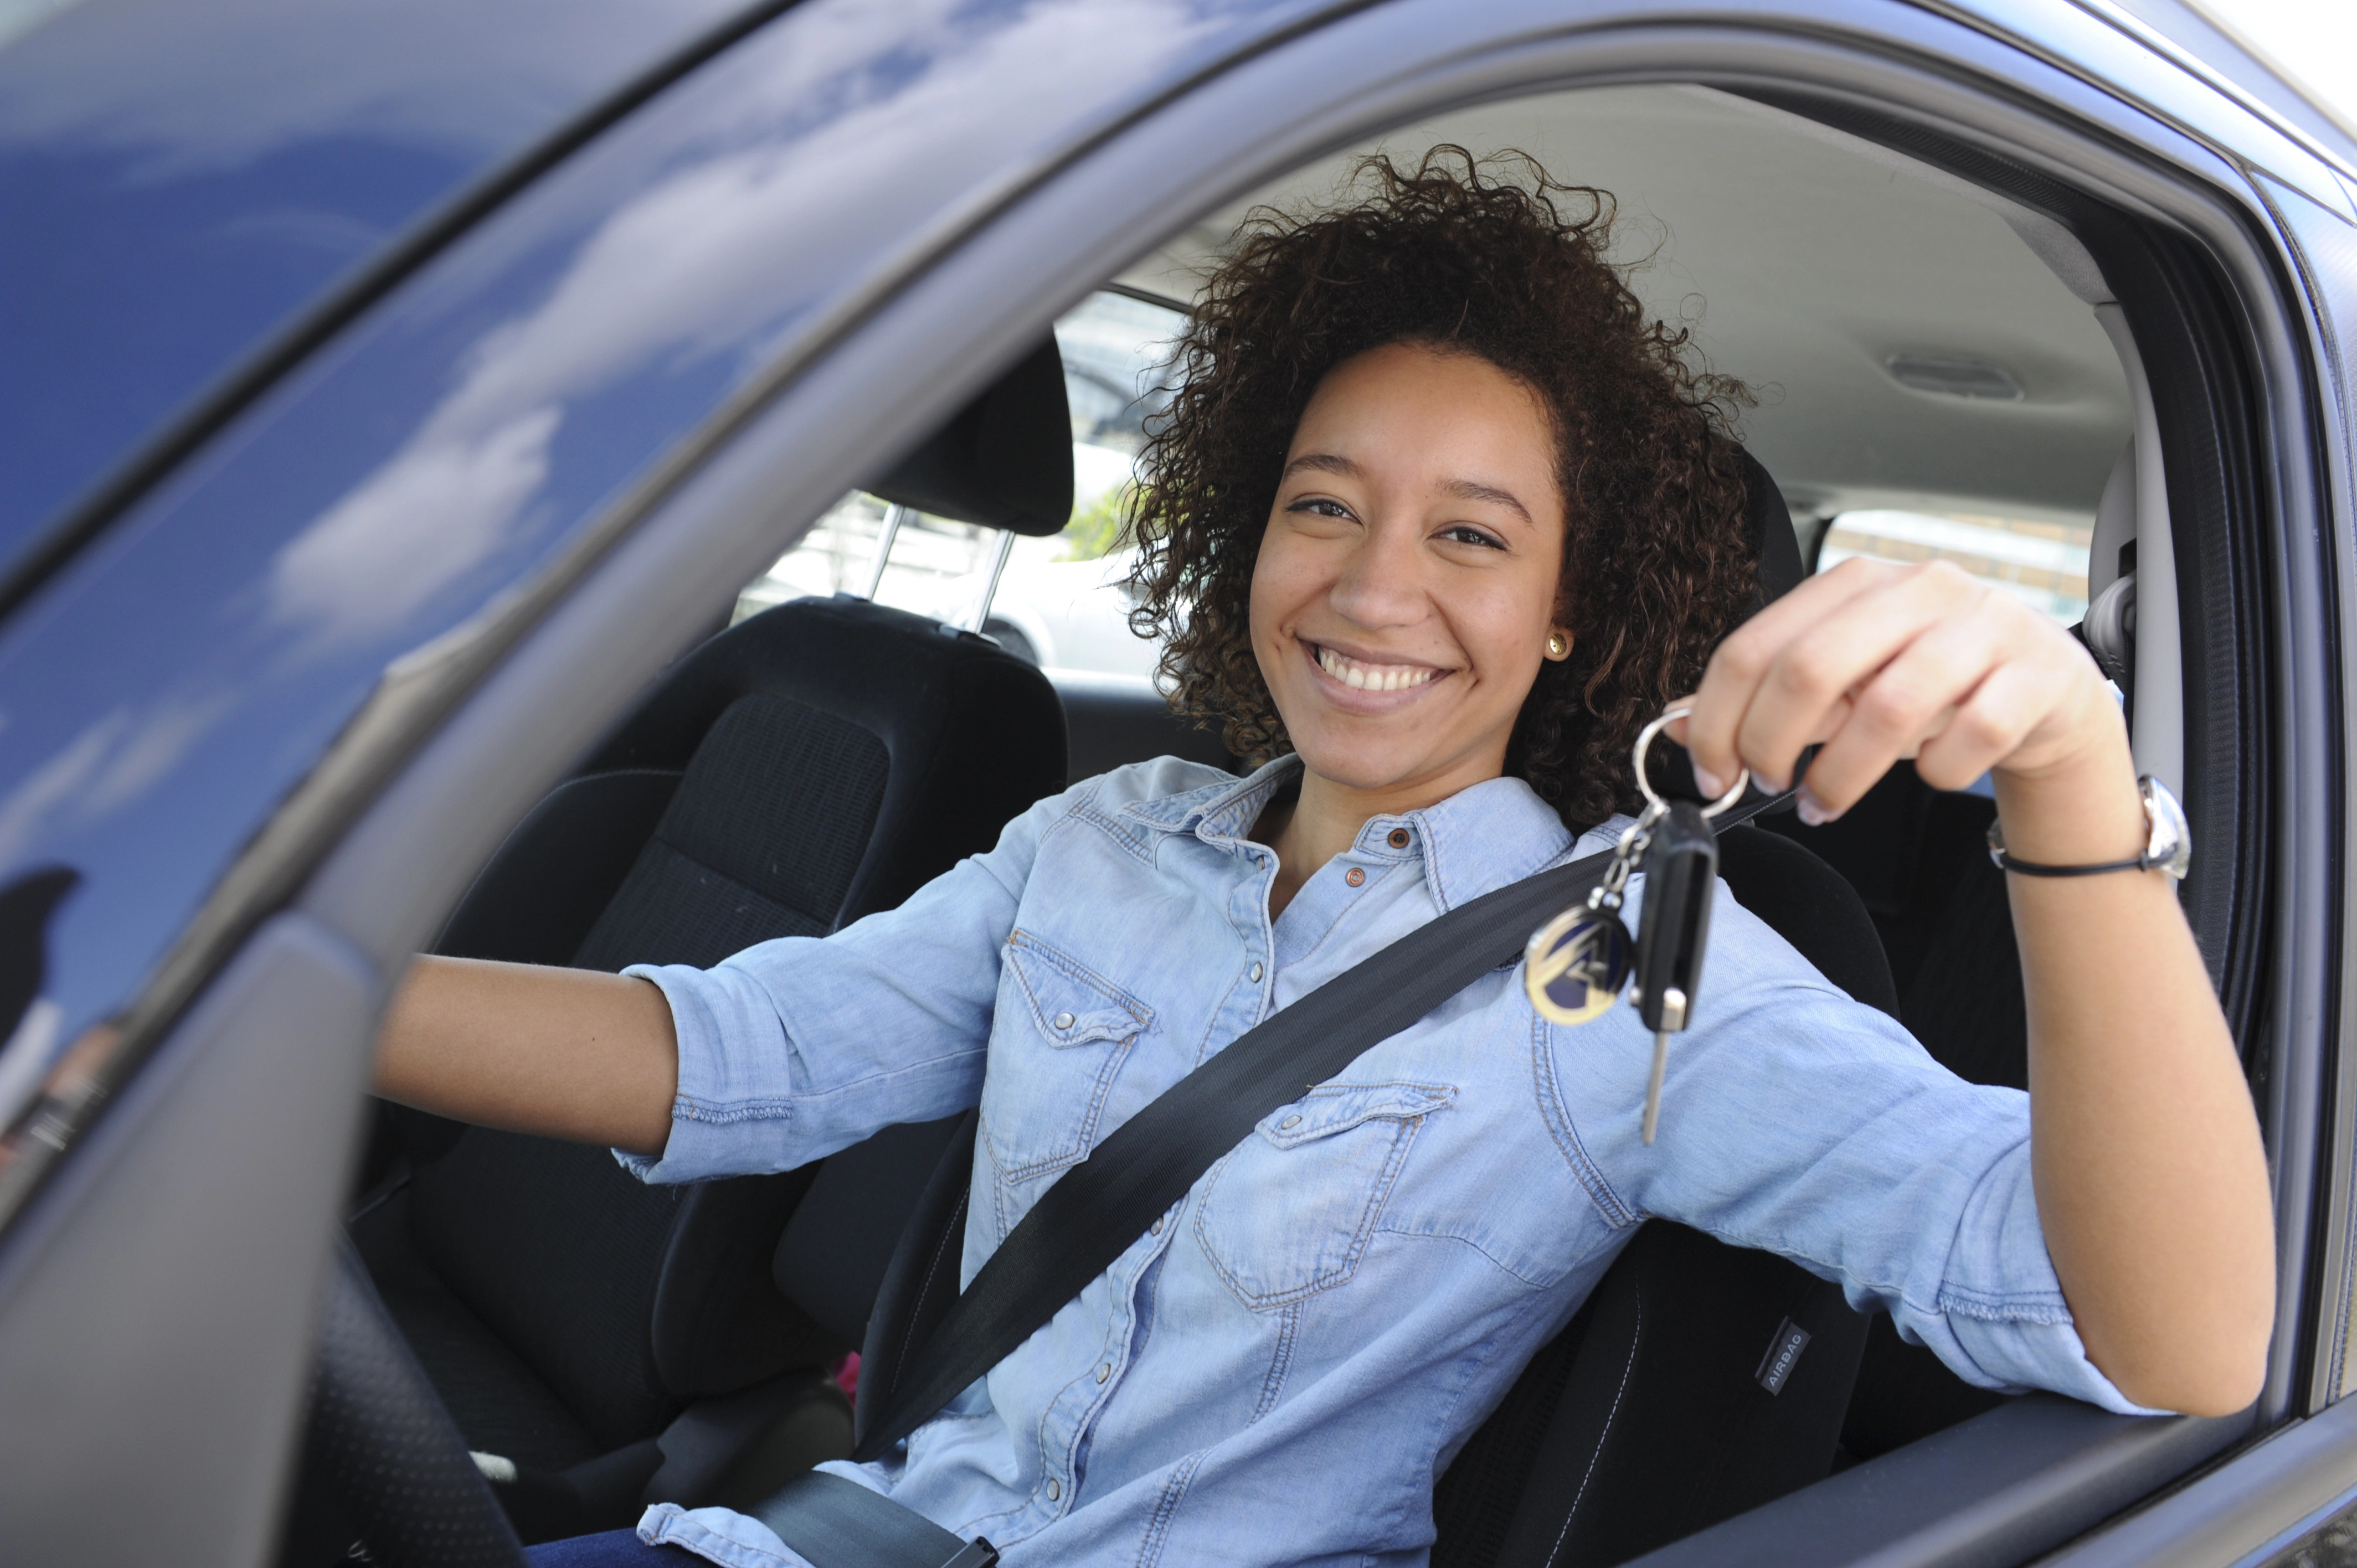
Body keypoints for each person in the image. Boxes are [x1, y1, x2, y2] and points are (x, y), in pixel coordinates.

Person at [374, 149, 2273, 1568]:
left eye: (1470, 536)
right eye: (1323, 507)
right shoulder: (1102, 843)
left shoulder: (1628, 959)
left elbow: (2167, 1337)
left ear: (1565, 616)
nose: (1373, 587)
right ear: (1245, 542)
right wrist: (254, 1008)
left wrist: (2070, 777)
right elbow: (735, 1055)